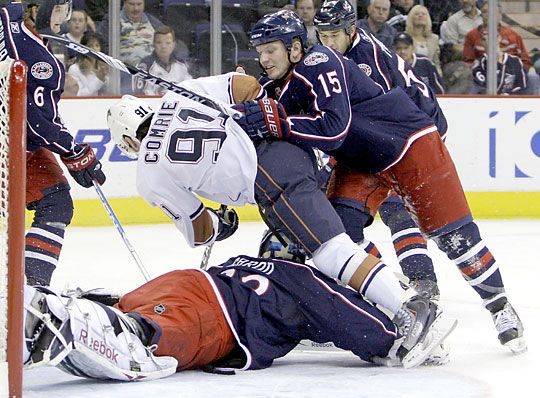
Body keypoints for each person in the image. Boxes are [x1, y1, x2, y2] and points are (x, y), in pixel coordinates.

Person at [234, 9, 526, 353]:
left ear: (295, 47)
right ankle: (404, 304)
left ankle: (500, 308)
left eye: (271, 50)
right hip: (361, 160)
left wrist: (276, 120)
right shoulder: (281, 83)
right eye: (260, 51)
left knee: (455, 239)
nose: (263, 58)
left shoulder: (320, 62)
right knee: (336, 236)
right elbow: (276, 120)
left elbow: (333, 127)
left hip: (406, 144)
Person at [107, 69, 452, 344]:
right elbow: (247, 86)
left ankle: (408, 308)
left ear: (127, 139)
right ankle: (386, 293)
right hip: (294, 146)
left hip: (270, 179)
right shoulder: (179, 92)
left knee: (330, 250)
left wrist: (220, 222)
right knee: (329, 235)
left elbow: (201, 233)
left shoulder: (148, 174)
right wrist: (253, 122)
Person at [22, 253, 456, 381]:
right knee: (153, 339)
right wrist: (389, 338)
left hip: (179, 282)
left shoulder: (253, 262)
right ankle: (74, 321)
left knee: (133, 310)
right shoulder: (301, 276)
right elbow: (335, 310)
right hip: (213, 312)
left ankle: (72, 309)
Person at [314, 0, 445, 297]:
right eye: (323, 35)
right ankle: (383, 280)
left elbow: (383, 119)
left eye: (335, 34)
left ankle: (424, 284)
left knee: (398, 210)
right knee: (343, 223)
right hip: (382, 140)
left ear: (351, 30)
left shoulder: (367, 58)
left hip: (412, 135)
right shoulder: (333, 55)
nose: (329, 42)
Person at [0, 0, 106, 286]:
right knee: (56, 204)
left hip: (13, 136)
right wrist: (74, 151)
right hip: (9, 146)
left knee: (56, 200)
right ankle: (34, 288)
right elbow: (39, 125)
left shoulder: (8, 16)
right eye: (59, 9)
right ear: (38, 9)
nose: (65, 17)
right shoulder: (39, 59)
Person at [135, 25, 192, 96]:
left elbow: (190, 91)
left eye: (167, 43)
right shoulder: (145, 66)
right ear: (153, 44)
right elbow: (138, 94)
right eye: (159, 43)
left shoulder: (182, 65)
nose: (163, 47)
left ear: (174, 44)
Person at [66, 31, 109, 96]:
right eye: (90, 46)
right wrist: (99, 79)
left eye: (97, 46)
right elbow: (79, 94)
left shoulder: (103, 67)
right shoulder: (74, 69)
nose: (94, 49)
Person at [405, 4, 441, 75]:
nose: (420, 15)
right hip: (410, 73)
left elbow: (436, 62)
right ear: (411, 18)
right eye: (417, 14)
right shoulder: (405, 37)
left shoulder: (434, 38)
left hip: (429, 74)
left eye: (423, 14)